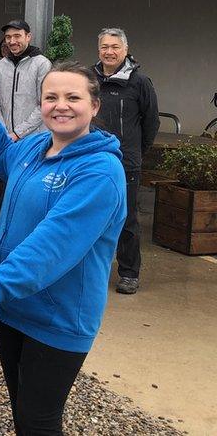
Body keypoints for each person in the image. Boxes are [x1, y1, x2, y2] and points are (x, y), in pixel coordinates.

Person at [0, 62, 126, 436]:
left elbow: (56, 241)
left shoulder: (100, 172)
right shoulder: (36, 146)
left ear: (94, 106)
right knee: (22, 409)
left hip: (57, 318)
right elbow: (4, 161)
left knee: (38, 421)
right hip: (13, 307)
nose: (60, 105)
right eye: (51, 97)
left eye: (72, 97)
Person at [92, 28, 159, 295]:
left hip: (125, 162)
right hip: (92, 160)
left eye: (115, 47)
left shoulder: (140, 82)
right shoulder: (89, 78)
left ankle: (129, 273)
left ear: (125, 50)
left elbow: (151, 122)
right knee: (92, 215)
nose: (109, 52)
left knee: (127, 219)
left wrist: (135, 152)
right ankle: (93, 269)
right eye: (104, 47)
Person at [0, 20, 52, 141]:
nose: (12, 41)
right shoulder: (0, 66)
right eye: (8, 37)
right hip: (7, 139)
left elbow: (44, 104)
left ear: (28, 37)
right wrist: (4, 132)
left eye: (17, 36)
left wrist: (18, 133)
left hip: (35, 139)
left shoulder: (42, 64)